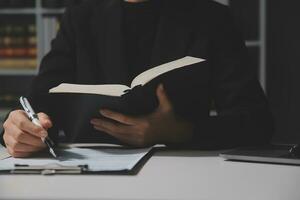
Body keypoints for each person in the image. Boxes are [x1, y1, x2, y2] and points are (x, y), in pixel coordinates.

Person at [1, 0, 274, 157]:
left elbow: (257, 122)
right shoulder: (81, 15)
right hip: (90, 174)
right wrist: (17, 129)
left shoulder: (212, 18)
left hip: (183, 172)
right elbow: (37, 103)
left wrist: (181, 131)